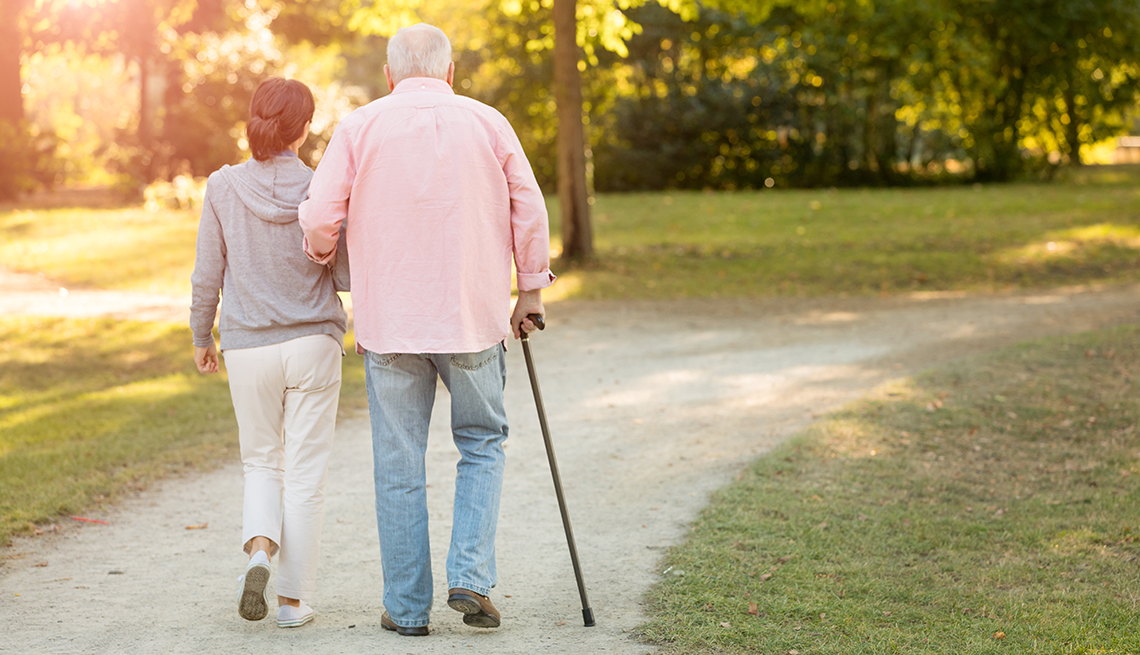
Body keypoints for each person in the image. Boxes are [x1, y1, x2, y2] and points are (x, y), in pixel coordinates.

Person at [299, 23, 555, 636]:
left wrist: (321, 252)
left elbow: (319, 215)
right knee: (483, 443)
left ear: (389, 76)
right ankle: (469, 573)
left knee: (397, 463)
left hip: (391, 323)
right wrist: (531, 289)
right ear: (449, 70)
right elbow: (530, 203)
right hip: (473, 317)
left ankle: (408, 610)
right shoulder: (488, 122)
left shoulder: (360, 126)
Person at [190, 77, 349, 629]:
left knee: (261, 461)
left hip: (247, 345)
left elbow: (207, 271)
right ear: (304, 129)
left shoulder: (222, 186)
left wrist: (199, 336)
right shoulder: (321, 188)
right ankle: (291, 602)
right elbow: (346, 273)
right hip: (313, 344)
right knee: (305, 475)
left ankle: (259, 551)